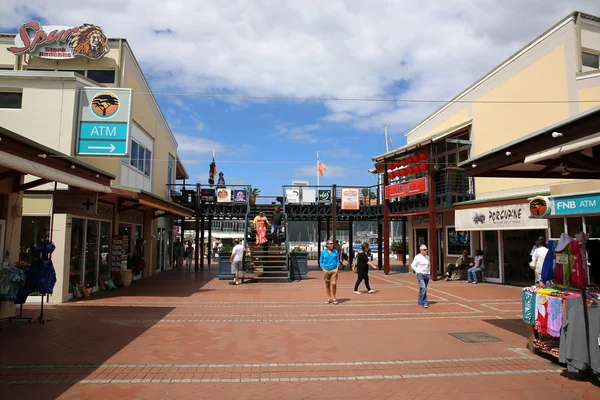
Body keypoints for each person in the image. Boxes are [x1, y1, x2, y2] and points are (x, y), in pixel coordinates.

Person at [320, 240, 340, 305]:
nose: (332, 245)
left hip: (334, 269)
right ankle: (328, 298)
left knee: (334, 284)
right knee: (327, 284)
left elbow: (338, 261)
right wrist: (323, 269)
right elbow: (321, 262)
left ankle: (334, 298)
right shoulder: (323, 252)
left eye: (332, 243)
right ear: (327, 245)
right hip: (326, 270)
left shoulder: (335, 252)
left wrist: (337, 268)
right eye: (331, 244)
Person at [411, 244, 430, 308]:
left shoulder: (427, 257)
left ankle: (420, 301)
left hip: (426, 275)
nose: (426, 251)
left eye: (426, 249)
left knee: (423, 288)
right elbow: (413, 265)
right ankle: (425, 302)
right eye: (424, 250)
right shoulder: (417, 257)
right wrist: (418, 271)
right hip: (420, 275)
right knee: (423, 288)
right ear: (421, 250)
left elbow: (428, 265)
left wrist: (429, 272)